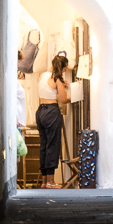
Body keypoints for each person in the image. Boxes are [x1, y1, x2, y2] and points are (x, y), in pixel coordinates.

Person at [35, 51, 70, 189]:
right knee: (53, 145)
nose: (65, 71)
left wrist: (62, 85)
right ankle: (51, 181)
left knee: (44, 146)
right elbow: (63, 99)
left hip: (40, 112)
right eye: (65, 68)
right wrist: (72, 95)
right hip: (52, 112)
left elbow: (48, 89)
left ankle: (44, 182)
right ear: (62, 67)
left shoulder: (42, 76)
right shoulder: (57, 79)